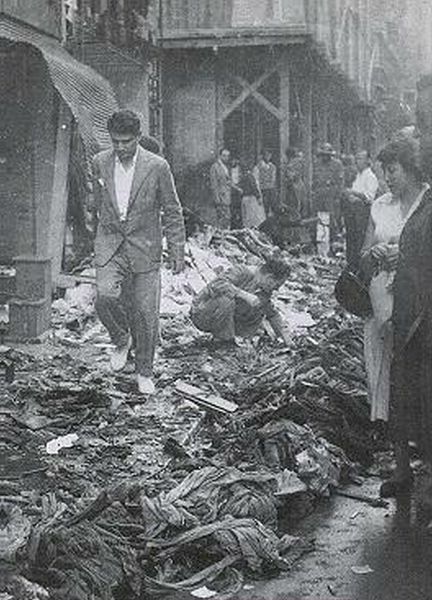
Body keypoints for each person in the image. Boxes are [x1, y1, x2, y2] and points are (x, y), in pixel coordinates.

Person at [92, 110, 185, 395]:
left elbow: (172, 209)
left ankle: (144, 371)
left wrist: (176, 248)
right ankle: (122, 339)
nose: (120, 147)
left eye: (126, 142)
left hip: (145, 247)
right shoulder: (99, 162)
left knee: (146, 314)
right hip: (111, 244)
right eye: (115, 141)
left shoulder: (157, 166)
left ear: (138, 137)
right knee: (105, 296)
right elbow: (99, 203)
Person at [359, 137, 428, 496]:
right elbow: (362, 255)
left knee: (421, 386)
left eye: (393, 169)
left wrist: (404, 257)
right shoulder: (380, 206)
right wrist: (375, 256)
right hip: (383, 308)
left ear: (411, 167)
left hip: (419, 307)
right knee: (391, 388)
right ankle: (402, 470)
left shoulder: (426, 203)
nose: (387, 177)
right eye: (383, 170)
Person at [378, 85, 432, 500]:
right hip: (407, 315)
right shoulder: (417, 213)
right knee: (406, 397)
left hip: (424, 317)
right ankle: (407, 474)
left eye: (392, 170)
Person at [190, 256, 291, 345]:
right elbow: (217, 284)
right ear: (269, 277)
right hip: (202, 312)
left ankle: (234, 338)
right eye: (277, 285)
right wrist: (243, 294)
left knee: (259, 308)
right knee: (226, 299)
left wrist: (286, 338)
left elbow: (272, 313)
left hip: (223, 319)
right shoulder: (242, 271)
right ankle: (225, 342)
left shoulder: (264, 290)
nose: (276, 289)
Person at [342, 150, 379, 269]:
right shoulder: (358, 176)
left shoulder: (371, 177)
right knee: (350, 236)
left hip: (363, 212)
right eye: (356, 159)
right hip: (353, 211)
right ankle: (351, 263)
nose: (357, 162)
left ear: (368, 161)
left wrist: (354, 193)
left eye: (360, 159)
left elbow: (369, 197)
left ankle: (358, 265)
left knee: (360, 238)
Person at [312, 143, 344, 256]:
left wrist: (337, 197)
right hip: (320, 197)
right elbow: (315, 180)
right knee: (321, 221)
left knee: (333, 223)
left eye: (327, 155)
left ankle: (334, 248)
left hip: (332, 197)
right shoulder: (317, 164)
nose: (325, 157)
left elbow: (340, 183)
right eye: (323, 154)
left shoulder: (337, 165)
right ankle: (322, 249)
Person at [210, 148, 240, 229]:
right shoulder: (215, 167)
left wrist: (237, 189)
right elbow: (214, 184)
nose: (226, 158)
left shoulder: (225, 167)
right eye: (224, 155)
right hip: (221, 198)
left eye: (227, 156)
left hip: (227, 197)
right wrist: (217, 199)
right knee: (222, 220)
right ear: (219, 156)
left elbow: (228, 182)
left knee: (227, 219)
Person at [240, 161, 266, 229]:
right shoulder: (250, 176)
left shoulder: (244, 176)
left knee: (247, 217)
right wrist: (258, 197)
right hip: (251, 199)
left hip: (245, 198)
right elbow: (254, 187)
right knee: (254, 217)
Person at [253, 149, 277, 217]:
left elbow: (273, 178)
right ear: (263, 156)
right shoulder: (258, 166)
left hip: (271, 190)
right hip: (263, 190)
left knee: (273, 205)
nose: (268, 157)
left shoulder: (272, 166)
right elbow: (256, 179)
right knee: (264, 207)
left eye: (270, 155)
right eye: (266, 155)